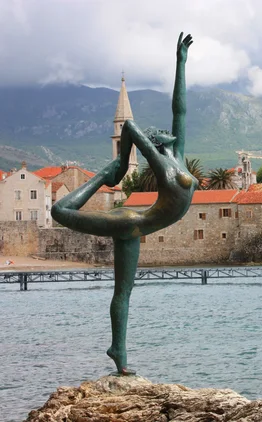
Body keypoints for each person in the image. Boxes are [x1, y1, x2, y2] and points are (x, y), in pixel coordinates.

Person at [51, 33, 197, 375]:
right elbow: (129, 126)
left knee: (124, 292)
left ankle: (118, 349)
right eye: (157, 133)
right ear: (157, 142)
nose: (163, 130)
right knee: (59, 211)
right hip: (129, 220)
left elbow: (181, 109)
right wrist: (121, 164)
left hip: (135, 227)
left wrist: (181, 62)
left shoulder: (177, 155)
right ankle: (106, 173)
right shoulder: (162, 163)